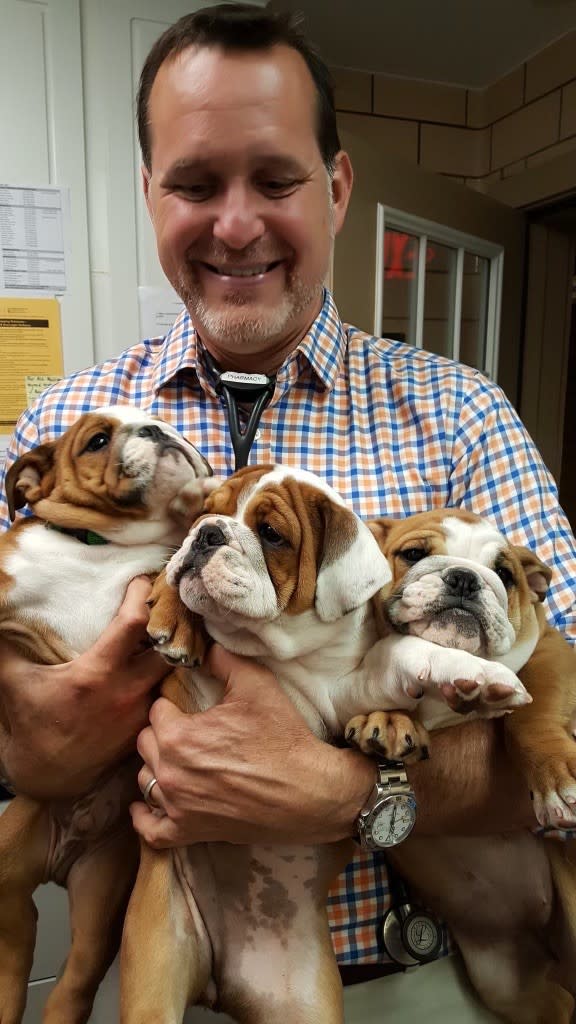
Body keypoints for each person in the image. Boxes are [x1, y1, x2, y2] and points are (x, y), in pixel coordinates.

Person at [0, 5, 575, 1021]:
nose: (233, 223)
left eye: (275, 180)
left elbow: (565, 704)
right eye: (192, 182)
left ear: (338, 188)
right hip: (155, 945)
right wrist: (29, 740)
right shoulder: (66, 427)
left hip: (417, 977)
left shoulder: (459, 413)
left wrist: (351, 792)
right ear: (148, 194)